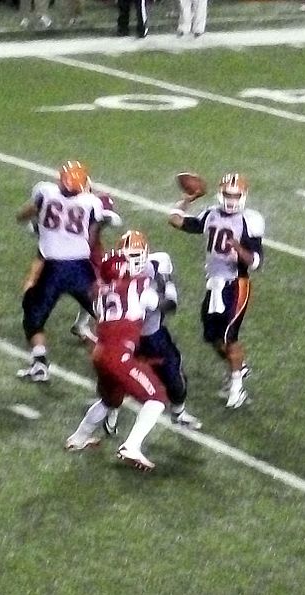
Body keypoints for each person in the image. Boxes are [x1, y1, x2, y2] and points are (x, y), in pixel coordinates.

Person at [168, 173, 264, 409]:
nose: (231, 200)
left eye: (236, 195)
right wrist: (187, 199)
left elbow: (256, 262)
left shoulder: (250, 220)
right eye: (228, 195)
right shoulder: (211, 213)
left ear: (243, 196)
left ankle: (236, 389)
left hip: (236, 283)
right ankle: (238, 369)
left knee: (230, 338)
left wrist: (238, 248)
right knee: (213, 338)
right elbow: (176, 220)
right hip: (214, 284)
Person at [65, 251, 167, 472]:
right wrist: (163, 282)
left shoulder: (100, 295)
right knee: (157, 397)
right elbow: (159, 304)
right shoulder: (136, 287)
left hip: (100, 354)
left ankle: (78, 438)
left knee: (110, 401)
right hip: (118, 355)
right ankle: (131, 446)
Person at [103, 230, 202, 433]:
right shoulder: (112, 271)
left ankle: (178, 413)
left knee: (174, 376)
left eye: (137, 256)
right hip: (123, 334)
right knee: (118, 378)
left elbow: (171, 303)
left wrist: (161, 297)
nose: (134, 261)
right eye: (129, 256)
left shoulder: (158, 263)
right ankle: (112, 411)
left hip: (150, 333)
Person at [16, 160, 106, 382]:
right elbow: (92, 236)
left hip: (52, 267)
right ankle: (134, 354)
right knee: (107, 313)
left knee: (32, 314)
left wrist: (37, 227)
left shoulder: (45, 191)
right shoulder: (92, 202)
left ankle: (39, 362)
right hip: (79, 266)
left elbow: (25, 214)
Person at [69, 186, 122, 344]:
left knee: (101, 288)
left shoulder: (94, 206)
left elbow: (114, 220)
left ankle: (81, 324)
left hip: (92, 253)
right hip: (75, 254)